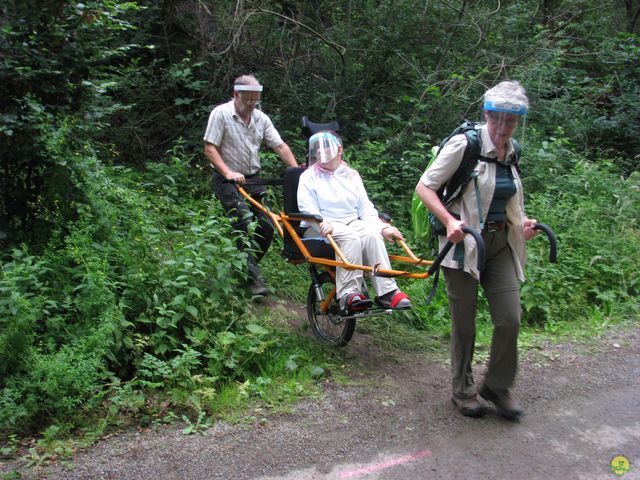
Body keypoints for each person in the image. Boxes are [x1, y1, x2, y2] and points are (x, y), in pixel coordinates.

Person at [415, 80, 538, 420]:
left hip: (499, 245)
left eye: (510, 121)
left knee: (510, 318)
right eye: (497, 119)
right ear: (486, 114)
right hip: (463, 244)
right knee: (465, 324)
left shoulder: (512, 151)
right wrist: (449, 221)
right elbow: (425, 187)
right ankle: (463, 391)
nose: (502, 127)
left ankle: (496, 387)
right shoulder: (464, 144)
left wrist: (522, 222)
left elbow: (506, 195)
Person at [203, 74, 298, 296]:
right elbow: (209, 148)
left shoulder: (261, 119)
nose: (252, 104)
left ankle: (245, 270)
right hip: (226, 179)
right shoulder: (221, 114)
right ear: (236, 94)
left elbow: (280, 146)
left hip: (254, 179)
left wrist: (296, 171)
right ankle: (254, 279)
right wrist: (228, 172)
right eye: (248, 99)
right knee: (244, 222)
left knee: (266, 226)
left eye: (256, 100)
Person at [297, 131, 411, 312]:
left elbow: (365, 208)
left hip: (349, 221)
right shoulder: (308, 176)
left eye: (326, 146)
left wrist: (383, 228)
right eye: (318, 148)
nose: (321, 151)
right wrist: (321, 222)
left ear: (339, 149)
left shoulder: (351, 175)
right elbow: (307, 208)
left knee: (371, 234)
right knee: (350, 237)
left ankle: (387, 292)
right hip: (318, 227)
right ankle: (349, 294)